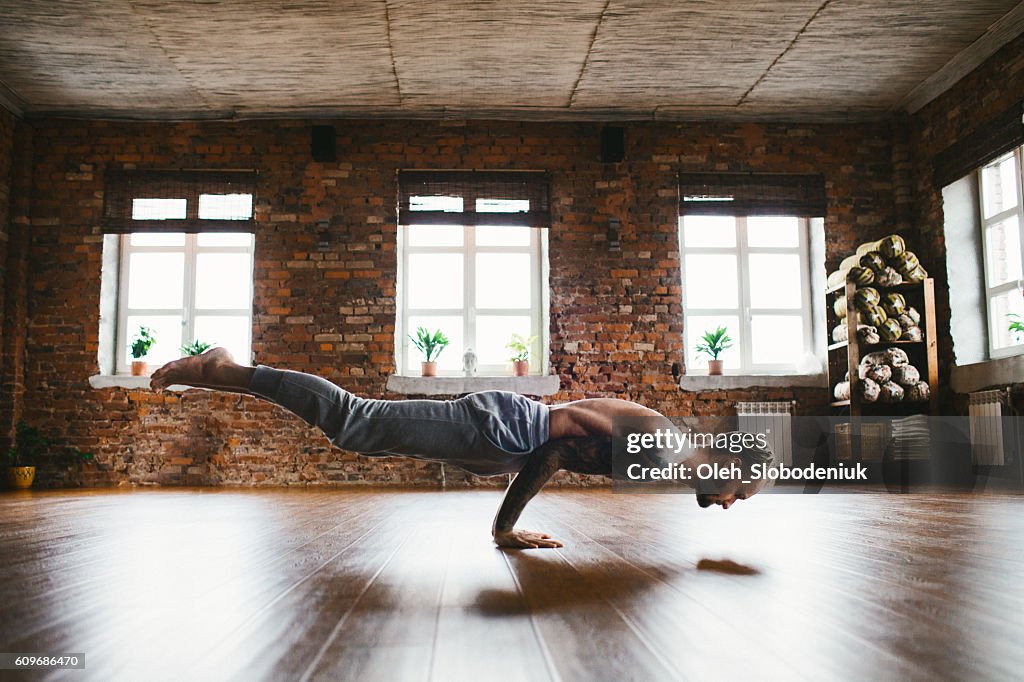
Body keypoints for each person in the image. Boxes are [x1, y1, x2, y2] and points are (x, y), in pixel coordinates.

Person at [150, 348, 771, 549]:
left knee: (357, 428)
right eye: (741, 491)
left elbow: (563, 443)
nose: (731, 502)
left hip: (505, 436)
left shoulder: (670, 449)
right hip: (504, 429)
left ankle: (232, 371)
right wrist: (505, 528)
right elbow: (555, 449)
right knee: (354, 420)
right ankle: (228, 369)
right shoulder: (663, 450)